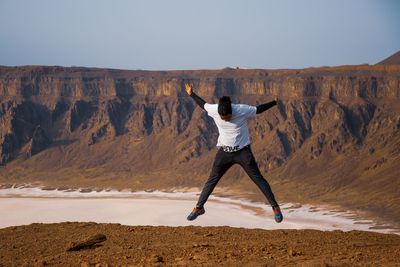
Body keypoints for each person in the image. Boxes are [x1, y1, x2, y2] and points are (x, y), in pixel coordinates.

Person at [184, 83, 283, 223]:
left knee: (258, 179)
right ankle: (199, 207)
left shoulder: (241, 109)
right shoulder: (214, 109)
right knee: (212, 179)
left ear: (232, 110)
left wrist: (274, 102)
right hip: (224, 152)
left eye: (228, 116)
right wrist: (191, 94)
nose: (225, 119)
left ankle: (275, 207)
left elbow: (258, 110)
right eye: (222, 117)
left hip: (243, 152)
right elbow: (202, 104)